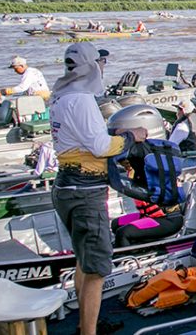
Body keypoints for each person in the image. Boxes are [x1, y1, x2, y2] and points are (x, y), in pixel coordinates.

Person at [49, 43, 148, 335]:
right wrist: (131, 136)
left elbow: (81, 138)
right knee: (96, 268)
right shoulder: (81, 100)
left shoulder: (60, 97)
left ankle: (84, 323)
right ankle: (88, 332)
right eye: (100, 63)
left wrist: (110, 133)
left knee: (83, 258)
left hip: (65, 185)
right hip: (85, 192)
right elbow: (100, 147)